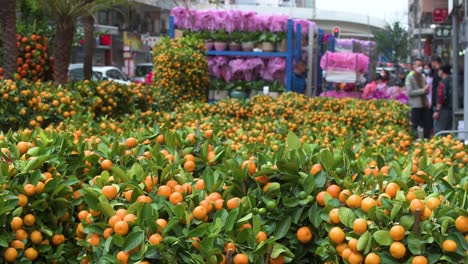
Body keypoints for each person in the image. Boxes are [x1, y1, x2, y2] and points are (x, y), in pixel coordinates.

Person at [406, 58, 432, 139]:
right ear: (413, 66)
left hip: (424, 104)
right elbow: (410, 92)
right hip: (415, 105)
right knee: (414, 125)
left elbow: (425, 90)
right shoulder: (410, 77)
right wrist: (423, 90)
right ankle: (414, 141)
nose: (420, 67)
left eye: (421, 65)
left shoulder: (423, 76)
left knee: (427, 125)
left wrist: (426, 90)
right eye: (418, 65)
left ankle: (426, 141)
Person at [433, 64, 453, 132]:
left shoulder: (442, 83)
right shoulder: (453, 81)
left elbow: (440, 98)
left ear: (442, 71)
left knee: (441, 131)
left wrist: (437, 111)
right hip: (453, 109)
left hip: (444, 111)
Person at [431, 56, 442, 130]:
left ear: (435, 62)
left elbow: (439, 90)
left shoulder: (438, 73)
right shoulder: (436, 72)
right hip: (436, 101)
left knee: (437, 123)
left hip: (438, 102)